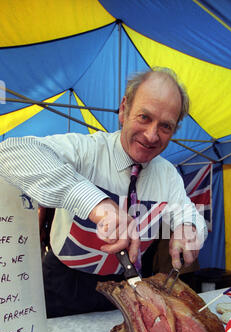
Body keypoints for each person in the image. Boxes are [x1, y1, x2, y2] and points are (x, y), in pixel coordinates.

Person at [0, 67, 207, 317]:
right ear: (124, 109)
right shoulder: (88, 150)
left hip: (122, 287)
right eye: (144, 117)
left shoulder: (167, 174)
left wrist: (190, 228)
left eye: (165, 126)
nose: (152, 135)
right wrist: (98, 204)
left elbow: (187, 212)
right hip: (61, 283)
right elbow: (10, 153)